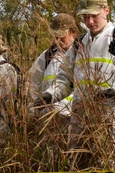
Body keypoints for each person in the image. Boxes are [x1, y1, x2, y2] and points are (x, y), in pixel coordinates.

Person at [55, 0, 115, 167]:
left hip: (109, 116)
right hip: (79, 116)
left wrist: (113, 92)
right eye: (85, 17)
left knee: (106, 165)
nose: (89, 22)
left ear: (106, 10)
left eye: (94, 16)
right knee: (75, 164)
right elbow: (64, 76)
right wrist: (51, 94)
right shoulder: (79, 43)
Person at [28, 13, 78, 149]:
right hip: (48, 122)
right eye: (55, 36)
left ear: (73, 32)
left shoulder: (82, 53)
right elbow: (32, 83)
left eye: (62, 36)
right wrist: (34, 109)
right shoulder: (47, 56)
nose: (58, 41)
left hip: (73, 120)